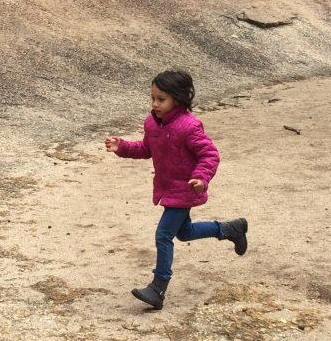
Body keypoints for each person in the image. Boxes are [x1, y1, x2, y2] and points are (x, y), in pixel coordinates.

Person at [104, 69, 247, 310]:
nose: (155, 104)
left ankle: (158, 287)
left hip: (185, 189)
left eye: (161, 99)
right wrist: (123, 147)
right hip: (167, 188)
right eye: (152, 98)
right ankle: (230, 229)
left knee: (163, 235)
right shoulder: (152, 123)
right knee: (184, 232)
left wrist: (201, 178)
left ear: (178, 99)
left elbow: (209, 154)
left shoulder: (189, 127)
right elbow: (146, 149)